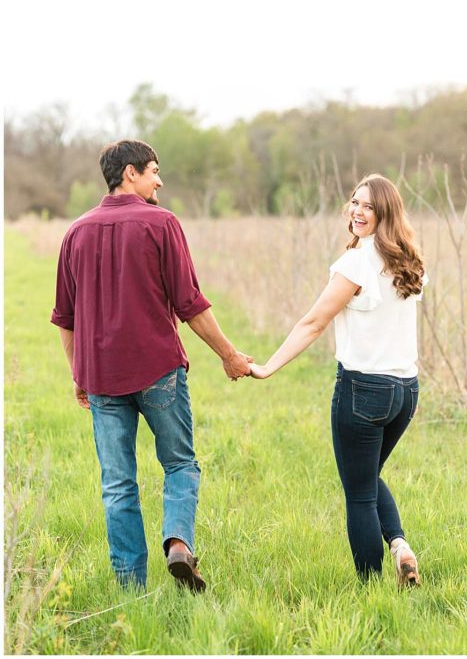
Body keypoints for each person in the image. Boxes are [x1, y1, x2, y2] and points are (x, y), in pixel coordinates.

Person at [51, 139, 253, 593]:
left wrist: (78, 374)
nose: (160, 180)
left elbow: (65, 319)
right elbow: (190, 304)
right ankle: (178, 543)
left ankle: (130, 591)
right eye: (154, 171)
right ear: (129, 173)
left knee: (118, 484)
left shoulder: (76, 232)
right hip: (159, 370)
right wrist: (230, 355)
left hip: (101, 378)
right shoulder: (162, 223)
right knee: (180, 464)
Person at [248, 173, 425, 586]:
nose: (358, 212)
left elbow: (313, 323)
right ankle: (399, 545)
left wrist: (269, 366)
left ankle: (369, 590)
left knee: (359, 492)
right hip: (406, 391)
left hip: (364, 390)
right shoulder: (408, 261)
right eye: (355, 202)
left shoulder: (356, 263)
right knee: (366, 475)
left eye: (369, 206)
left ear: (385, 214)